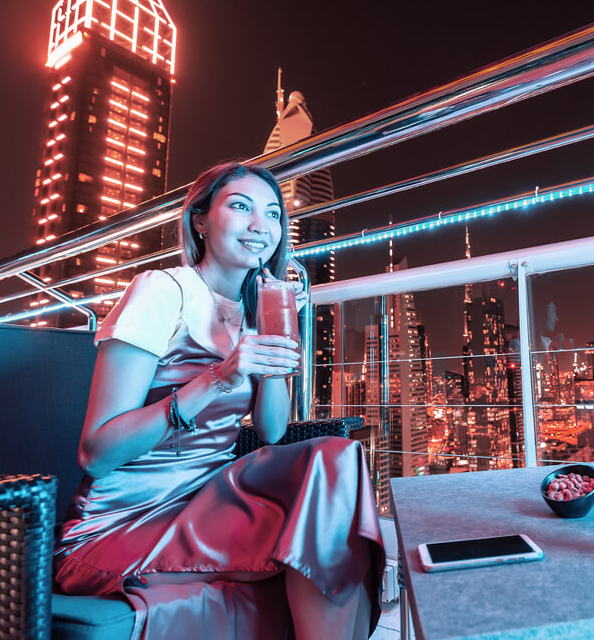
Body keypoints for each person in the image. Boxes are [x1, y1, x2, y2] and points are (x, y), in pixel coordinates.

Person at [53, 162, 385, 640]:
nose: (261, 226)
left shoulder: (260, 305)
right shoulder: (160, 291)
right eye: (241, 207)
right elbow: (96, 453)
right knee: (323, 545)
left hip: (211, 501)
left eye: (273, 214)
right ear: (200, 220)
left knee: (338, 463)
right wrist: (220, 374)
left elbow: (271, 430)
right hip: (124, 518)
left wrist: (276, 342)